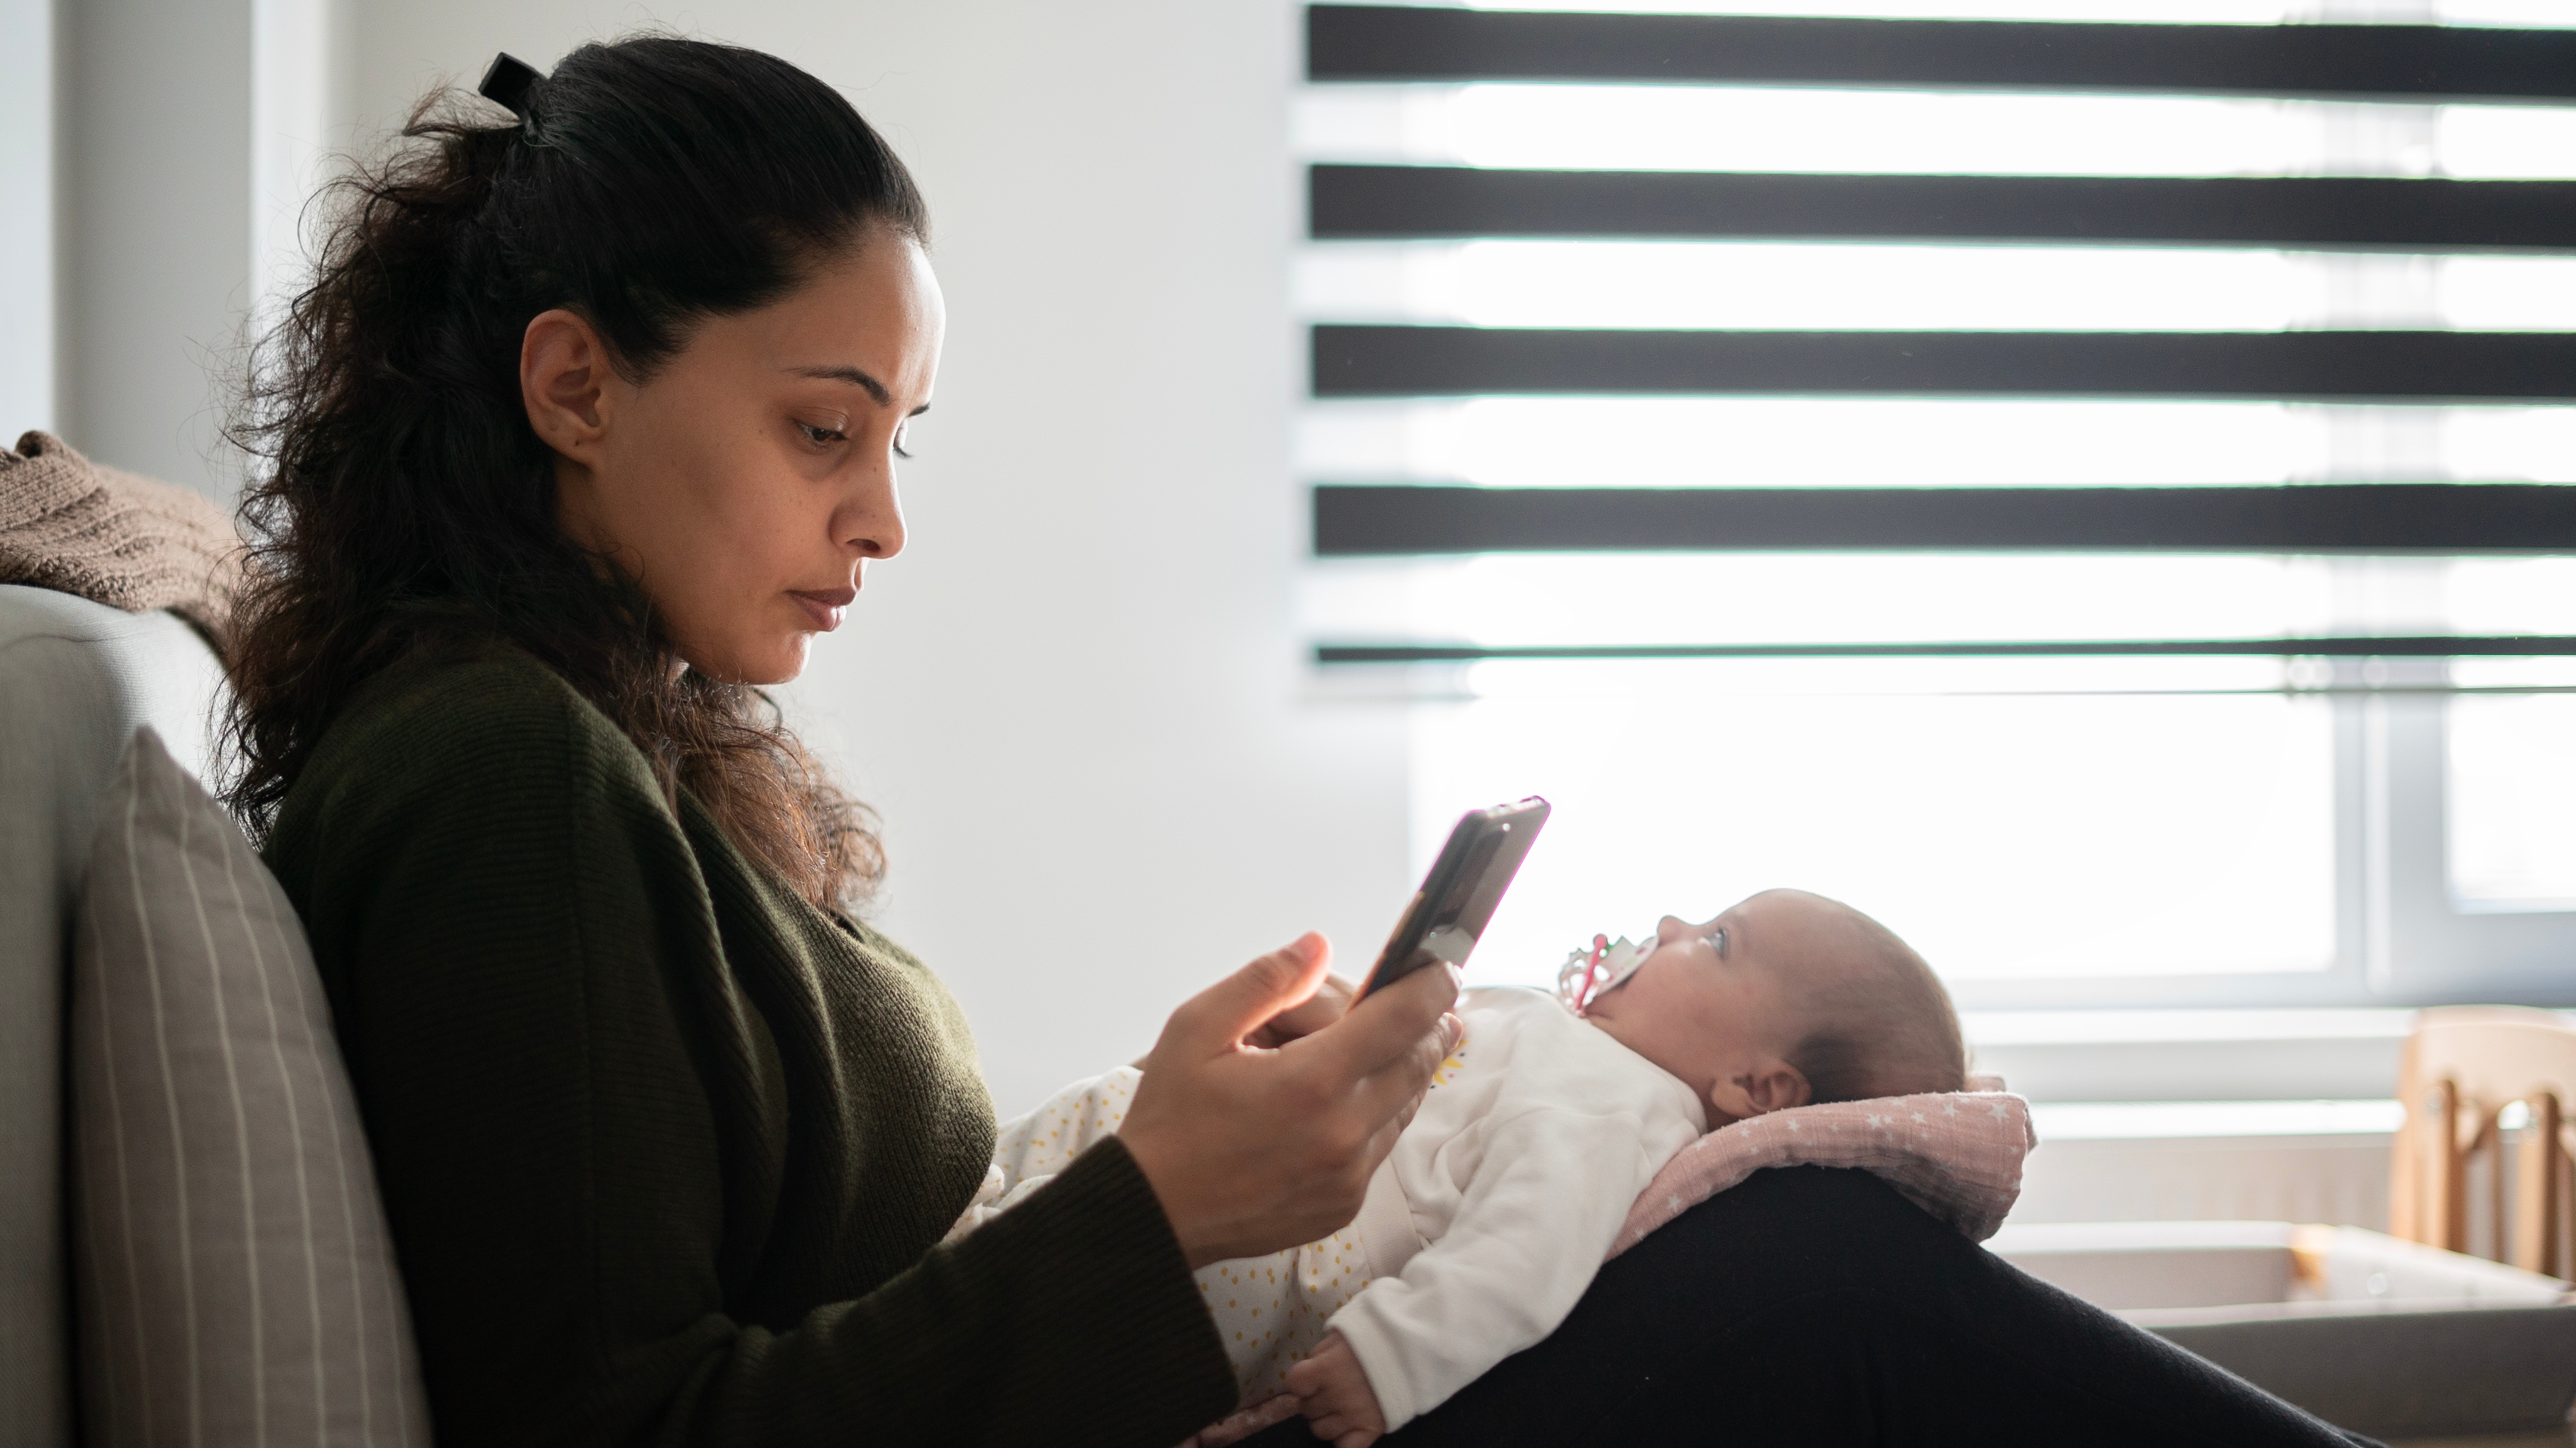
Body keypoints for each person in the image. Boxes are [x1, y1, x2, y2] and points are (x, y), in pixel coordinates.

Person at [222, 33, 2377, 1448]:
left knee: (1783, 1263)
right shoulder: (494, 775)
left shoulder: (617, 753)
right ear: (573, 383)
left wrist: (1200, 1180)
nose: (883, 517)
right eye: (823, 432)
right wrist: (1158, 1207)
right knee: (1813, 1271)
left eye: (899, 440)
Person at [951, 890, 1970, 1446]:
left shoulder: (1628, 1109)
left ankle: (950, 1263)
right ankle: (949, 1227)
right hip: (1219, 1161)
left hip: (1279, 1259)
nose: (1665, 928)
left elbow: (1523, 1252)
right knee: (1048, 1158)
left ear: (1759, 1088)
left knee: (1038, 1258)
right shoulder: (1577, 1049)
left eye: (1714, 941)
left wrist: (1393, 1360)